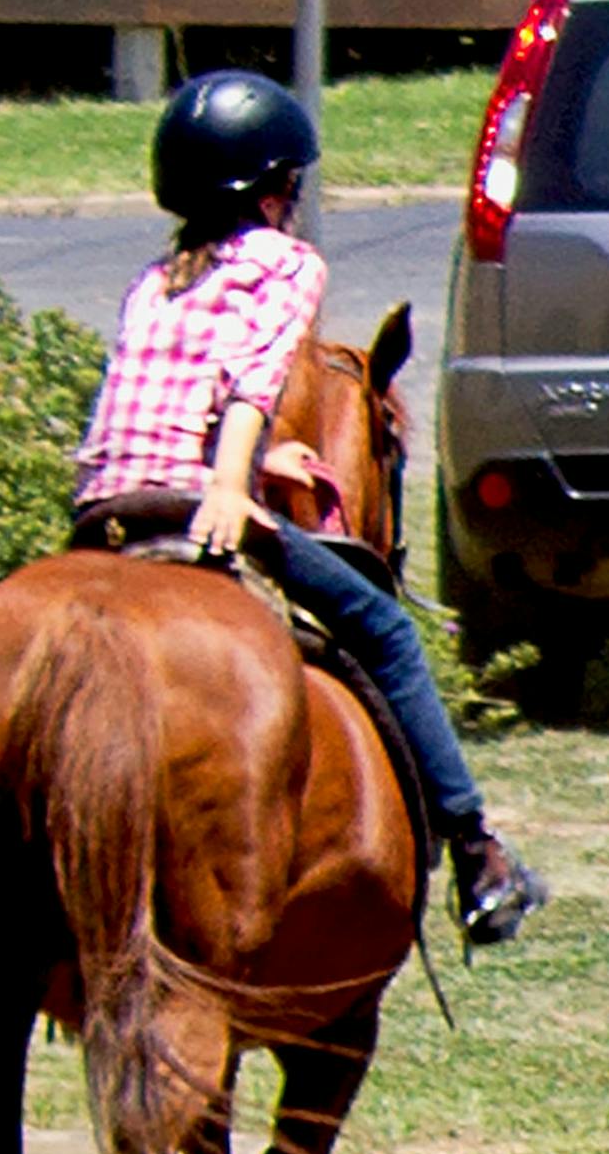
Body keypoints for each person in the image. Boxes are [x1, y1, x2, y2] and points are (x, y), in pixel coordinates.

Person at [75, 65, 544, 948]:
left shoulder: (158, 277)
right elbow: (252, 382)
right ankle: (474, 844)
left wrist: (255, 461)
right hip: (194, 501)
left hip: (104, 506)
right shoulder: (286, 262)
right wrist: (226, 483)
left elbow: (169, 390)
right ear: (276, 188)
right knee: (388, 630)